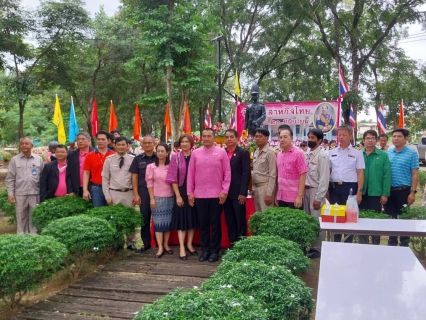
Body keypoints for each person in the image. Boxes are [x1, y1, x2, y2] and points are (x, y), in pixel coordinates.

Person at [187, 128, 231, 263]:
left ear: (214, 138)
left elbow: (227, 173)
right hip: (200, 195)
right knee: (203, 224)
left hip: (216, 195)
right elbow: (191, 174)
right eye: (204, 136)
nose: (206, 138)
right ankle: (205, 250)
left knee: (215, 224)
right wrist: (190, 193)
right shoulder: (196, 153)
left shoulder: (221, 152)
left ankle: (214, 251)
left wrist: (224, 191)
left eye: (209, 136)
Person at [328, 125, 365, 243]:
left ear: (350, 136)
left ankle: (348, 242)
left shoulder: (357, 152)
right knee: (336, 215)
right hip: (334, 188)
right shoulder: (332, 152)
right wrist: (327, 189)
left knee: (350, 216)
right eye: (339, 135)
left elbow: (360, 173)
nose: (341, 137)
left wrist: (359, 191)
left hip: (350, 188)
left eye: (344, 135)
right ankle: (336, 242)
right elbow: (328, 171)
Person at [166, 134, 199, 260]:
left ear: (191, 143)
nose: (184, 144)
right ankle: (181, 247)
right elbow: (173, 178)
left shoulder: (196, 156)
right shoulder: (175, 157)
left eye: (187, 141)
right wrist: (178, 196)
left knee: (191, 220)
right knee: (181, 221)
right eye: (182, 142)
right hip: (180, 191)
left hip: (195, 192)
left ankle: (190, 245)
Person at [102, 136, 137, 250]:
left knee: (130, 218)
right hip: (114, 193)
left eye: (123, 145)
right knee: (115, 218)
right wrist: (107, 196)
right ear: (114, 146)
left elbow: (135, 178)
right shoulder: (109, 160)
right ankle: (118, 242)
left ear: (127, 146)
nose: (121, 147)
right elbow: (105, 179)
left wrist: (136, 195)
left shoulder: (133, 160)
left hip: (129, 193)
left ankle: (131, 243)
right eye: (119, 145)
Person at [385, 128, 419, 246]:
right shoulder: (388, 153)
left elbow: (415, 174)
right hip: (389, 191)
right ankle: (392, 242)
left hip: (404, 191)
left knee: (404, 217)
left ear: (406, 138)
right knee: (391, 217)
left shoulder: (412, 154)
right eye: (394, 136)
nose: (396, 139)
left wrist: (413, 192)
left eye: (399, 136)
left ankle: (404, 243)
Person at [358, 130, 391, 245]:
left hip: (375, 193)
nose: (370, 140)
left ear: (376, 140)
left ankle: (376, 245)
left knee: (375, 220)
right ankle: (363, 244)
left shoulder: (383, 156)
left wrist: (385, 193)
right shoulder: (358, 154)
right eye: (367, 138)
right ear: (363, 140)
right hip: (360, 193)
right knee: (361, 219)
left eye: (372, 138)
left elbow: (386, 175)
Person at [6, 137, 44, 234]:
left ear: (32, 146)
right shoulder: (14, 160)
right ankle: (21, 237)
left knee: (34, 215)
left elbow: (43, 177)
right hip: (20, 193)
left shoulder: (38, 159)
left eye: (26, 143)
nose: (24, 145)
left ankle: (34, 236)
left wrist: (43, 193)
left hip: (35, 193)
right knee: (20, 215)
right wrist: (10, 194)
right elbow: (10, 178)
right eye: (22, 144)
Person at [304, 129, 330, 258]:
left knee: (316, 221)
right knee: (307, 220)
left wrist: (319, 198)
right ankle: (310, 245)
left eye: (313, 138)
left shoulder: (322, 156)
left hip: (316, 191)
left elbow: (324, 180)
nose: (310, 140)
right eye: (309, 137)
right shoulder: (307, 154)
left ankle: (317, 248)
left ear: (319, 140)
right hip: (305, 191)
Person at [223, 129, 251, 248]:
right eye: (227, 137)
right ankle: (232, 244)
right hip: (225, 193)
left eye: (231, 137)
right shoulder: (222, 152)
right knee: (229, 220)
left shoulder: (243, 153)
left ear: (237, 138)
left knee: (239, 219)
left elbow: (246, 174)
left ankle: (241, 246)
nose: (229, 139)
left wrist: (243, 192)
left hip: (238, 193)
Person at [146, 143, 174, 258]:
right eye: (158, 151)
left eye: (163, 151)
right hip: (157, 198)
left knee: (167, 223)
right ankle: (160, 247)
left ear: (167, 153)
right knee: (158, 223)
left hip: (170, 198)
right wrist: (152, 198)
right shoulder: (151, 167)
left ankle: (166, 245)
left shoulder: (172, 166)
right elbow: (149, 183)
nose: (160, 153)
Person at [130, 135, 157, 252]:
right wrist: (136, 194)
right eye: (145, 143)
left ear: (154, 143)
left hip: (160, 191)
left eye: (150, 143)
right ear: (141, 145)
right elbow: (134, 177)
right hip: (144, 191)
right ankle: (146, 243)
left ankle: (159, 242)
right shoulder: (138, 159)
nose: (147, 145)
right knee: (145, 217)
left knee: (159, 217)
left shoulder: (160, 157)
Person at [276, 127, 308, 208]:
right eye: (281, 137)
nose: (282, 139)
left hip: (294, 198)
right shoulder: (279, 154)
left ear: (292, 138)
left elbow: (303, 175)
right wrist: (277, 195)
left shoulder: (298, 154)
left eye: (285, 137)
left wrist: (300, 196)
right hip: (281, 197)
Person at [82, 131, 115, 207]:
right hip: (96, 188)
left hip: (111, 188)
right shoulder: (90, 156)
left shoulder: (114, 154)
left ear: (108, 141)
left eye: (103, 139)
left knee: (111, 211)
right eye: (98, 139)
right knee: (98, 211)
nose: (100, 141)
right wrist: (85, 190)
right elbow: (86, 173)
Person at [252, 128, 277, 212]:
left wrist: (269, 193)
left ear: (267, 138)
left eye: (260, 136)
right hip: (256, 188)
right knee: (258, 214)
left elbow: (273, 175)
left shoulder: (270, 153)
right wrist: (252, 187)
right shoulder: (256, 152)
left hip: (265, 188)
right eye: (256, 136)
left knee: (266, 215)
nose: (257, 138)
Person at [68, 132, 93, 197]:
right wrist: (70, 190)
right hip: (76, 187)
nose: (80, 141)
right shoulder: (72, 155)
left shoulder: (94, 153)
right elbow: (68, 173)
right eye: (78, 139)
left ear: (89, 141)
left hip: (92, 186)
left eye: (83, 139)